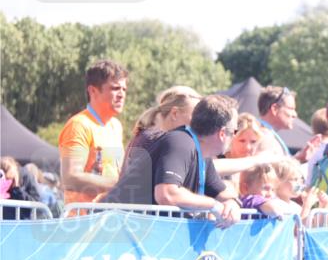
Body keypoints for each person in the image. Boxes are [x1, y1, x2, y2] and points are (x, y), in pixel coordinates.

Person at [102, 95, 242, 228]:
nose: (234, 137)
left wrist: (232, 204)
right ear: (222, 133)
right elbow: (166, 194)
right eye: (235, 131)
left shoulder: (203, 155)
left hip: (132, 232)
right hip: (111, 231)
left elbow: (223, 194)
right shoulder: (180, 142)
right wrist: (213, 205)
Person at [58, 59, 128, 205]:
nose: (121, 94)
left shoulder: (116, 126)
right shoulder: (79, 125)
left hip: (111, 214)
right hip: (84, 216)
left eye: (124, 89)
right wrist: (119, 184)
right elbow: (70, 178)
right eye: (115, 88)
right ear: (93, 91)